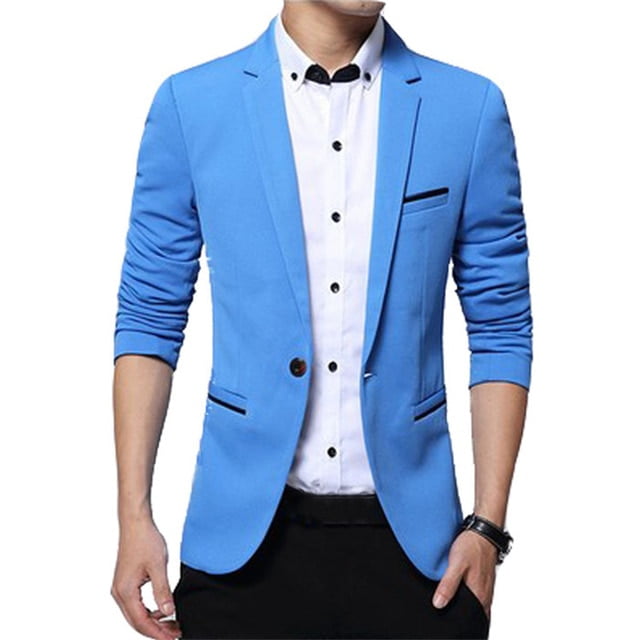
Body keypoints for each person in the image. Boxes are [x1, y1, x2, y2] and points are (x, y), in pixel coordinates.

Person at [110, 1, 533, 638]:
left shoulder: (467, 110)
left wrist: (487, 526)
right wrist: (133, 517)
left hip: (420, 557)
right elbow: (149, 318)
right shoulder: (191, 106)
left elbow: (500, 325)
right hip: (241, 549)